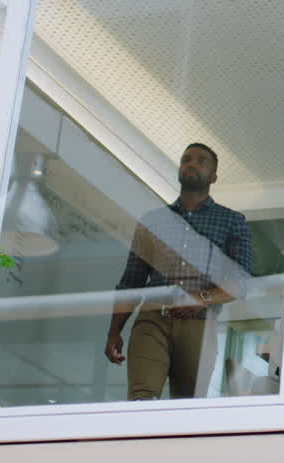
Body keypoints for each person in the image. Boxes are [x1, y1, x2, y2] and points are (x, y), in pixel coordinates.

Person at [105, 143, 253, 399]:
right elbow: (132, 280)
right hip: (152, 320)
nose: (192, 164)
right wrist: (114, 331)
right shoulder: (154, 221)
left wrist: (201, 299)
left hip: (200, 325)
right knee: (142, 400)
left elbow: (241, 283)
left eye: (201, 161)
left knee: (187, 408)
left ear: (214, 177)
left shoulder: (232, 221)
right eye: (187, 159)